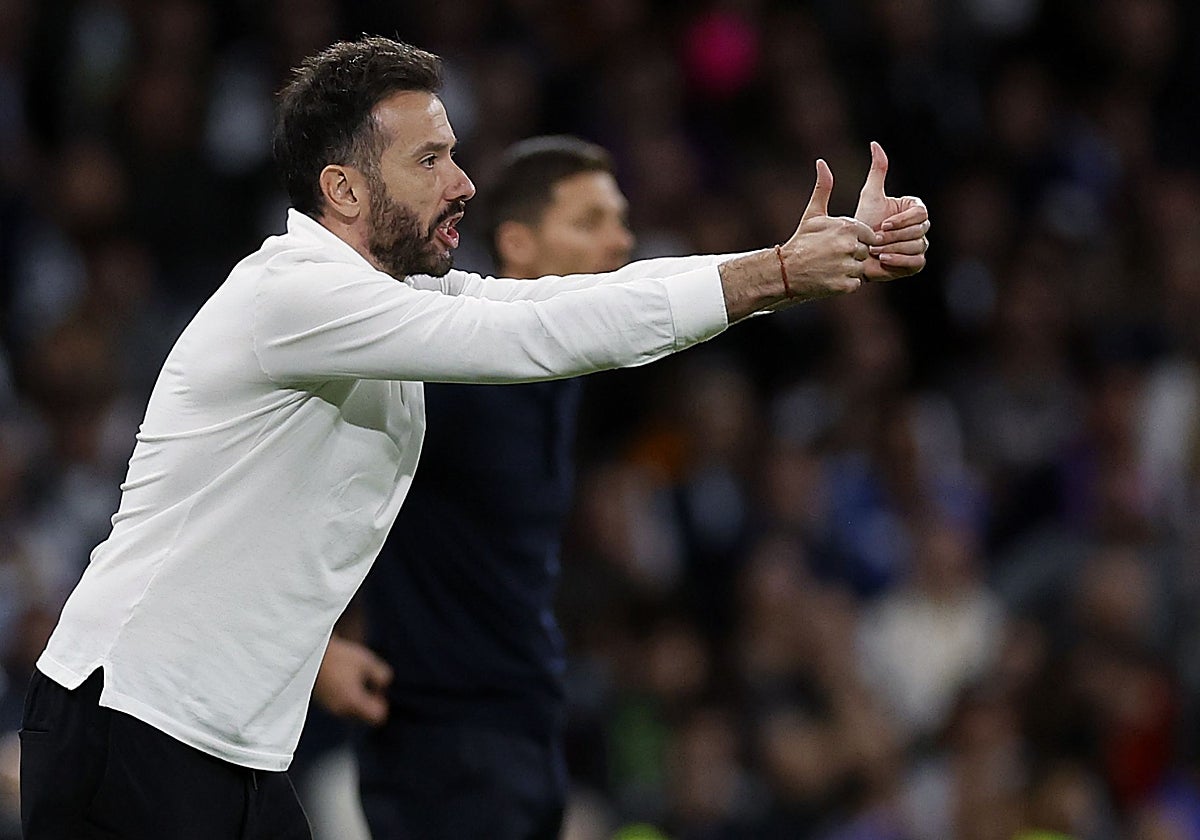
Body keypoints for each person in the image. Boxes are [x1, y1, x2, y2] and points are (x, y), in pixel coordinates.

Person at [19, 35, 929, 840]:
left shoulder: (392, 301)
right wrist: (770, 274)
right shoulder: (291, 293)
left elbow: (559, 302)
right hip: (129, 724)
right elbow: (525, 338)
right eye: (431, 160)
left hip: (231, 748)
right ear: (343, 188)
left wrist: (777, 269)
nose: (465, 183)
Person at [309, 134, 638, 840]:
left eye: (620, 220)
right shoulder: (447, 365)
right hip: (441, 746)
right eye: (591, 222)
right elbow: (298, 478)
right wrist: (313, 650)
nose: (620, 243)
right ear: (517, 245)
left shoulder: (564, 373)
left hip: (525, 724)